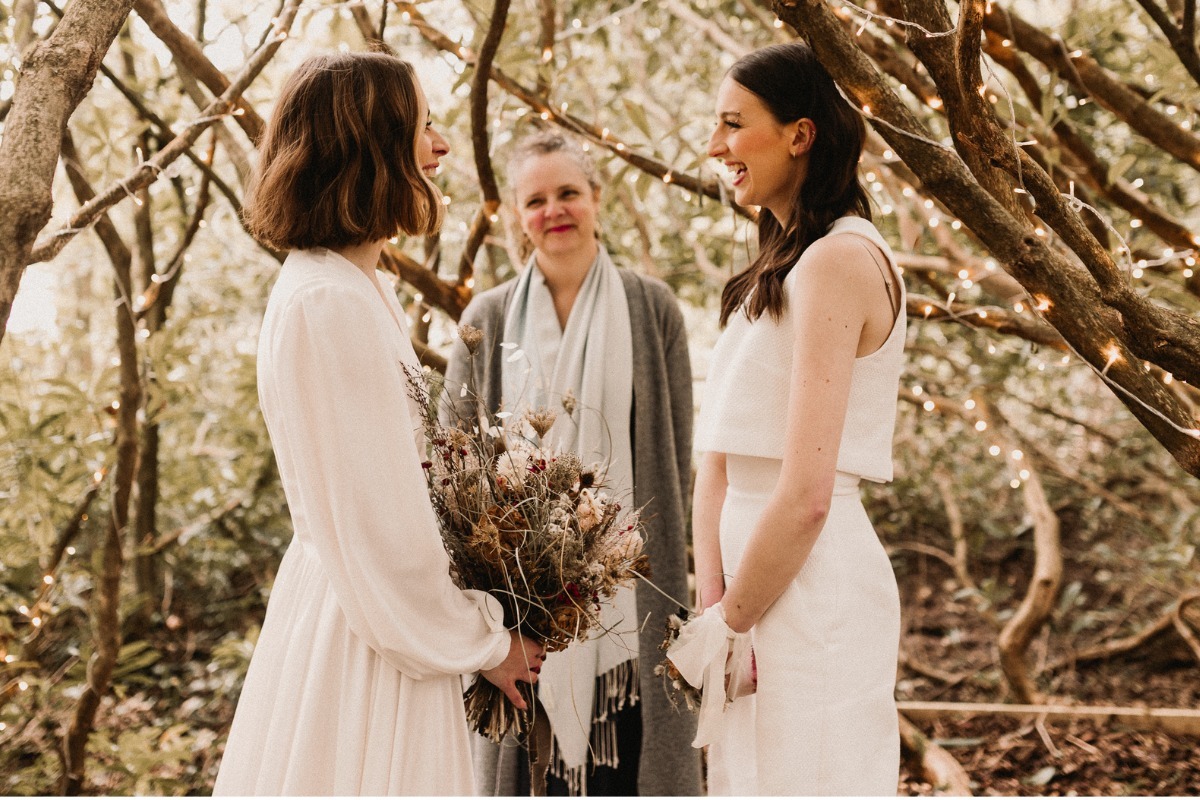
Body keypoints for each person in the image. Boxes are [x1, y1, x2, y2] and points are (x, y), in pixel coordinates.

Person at [212, 52, 545, 796]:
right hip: (367, 633)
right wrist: (483, 641)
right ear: (370, 145)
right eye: (423, 126)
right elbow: (379, 523)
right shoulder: (328, 302)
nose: (442, 147)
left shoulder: (352, 286)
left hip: (368, 613)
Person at [678, 42, 906, 795]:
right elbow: (716, 460)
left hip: (808, 588)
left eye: (733, 124)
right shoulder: (778, 264)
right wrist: (713, 607)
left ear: (800, 134)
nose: (715, 146)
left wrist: (729, 620)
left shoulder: (840, 262)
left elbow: (807, 493)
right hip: (748, 587)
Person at [443, 130, 700, 796]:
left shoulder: (653, 309)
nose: (554, 211)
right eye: (536, 200)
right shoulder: (488, 318)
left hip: (631, 590)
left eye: (568, 193)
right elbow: (455, 467)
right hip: (521, 601)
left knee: (632, 765)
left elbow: (675, 462)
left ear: (597, 200)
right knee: (529, 774)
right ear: (515, 218)